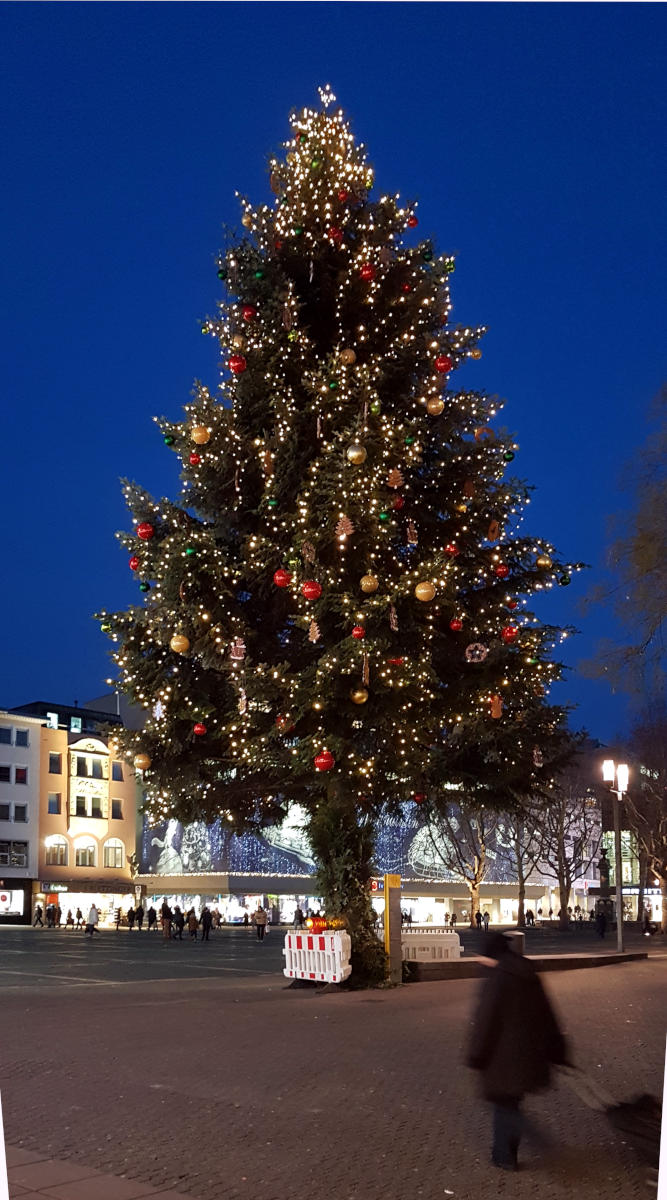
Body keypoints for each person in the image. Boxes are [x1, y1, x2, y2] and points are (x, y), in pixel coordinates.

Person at [467, 931, 568, 1171]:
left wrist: (475, 1055)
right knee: (509, 1103)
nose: (481, 961)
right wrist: (557, 1049)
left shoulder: (498, 978)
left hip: (502, 1057)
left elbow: (486, 1021)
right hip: (528, 1054)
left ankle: (507, 1155)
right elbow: (547, 1014)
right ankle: (506, 1155)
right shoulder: (527, 972)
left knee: (504, 1105)